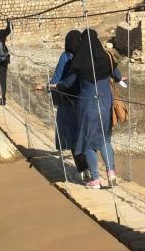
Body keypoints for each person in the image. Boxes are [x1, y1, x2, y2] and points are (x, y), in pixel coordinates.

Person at [56, 29, 124, 189]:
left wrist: (55, 85)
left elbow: (68, 83)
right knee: (105, 140)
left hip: (88, 105)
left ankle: (95, 179)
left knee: (87, 143)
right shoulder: (106, 58)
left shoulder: (78, 61)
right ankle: (111, 173)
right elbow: (118, 77)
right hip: (106, 103)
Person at [37, 30, 90, 180]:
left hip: (67, 103)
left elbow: (56, 79)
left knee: (72, 136)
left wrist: (47, 87)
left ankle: (81, 168)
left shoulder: (66, 56)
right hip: (85, 102)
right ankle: (90, 169)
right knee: (84, 134)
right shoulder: (87, 55)